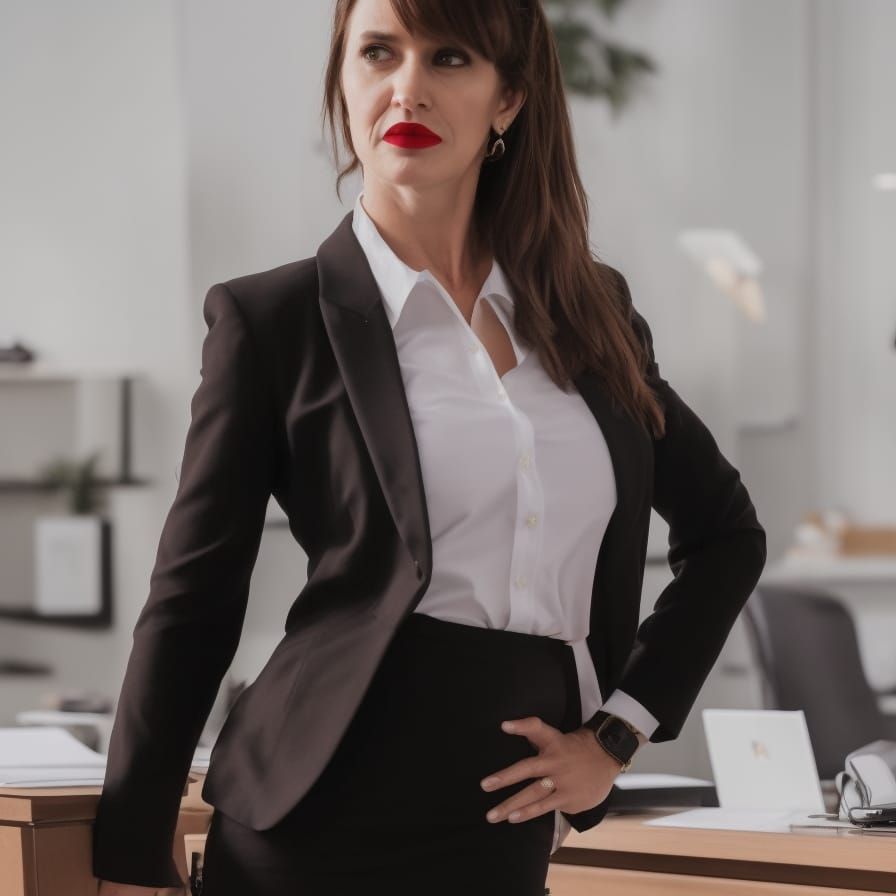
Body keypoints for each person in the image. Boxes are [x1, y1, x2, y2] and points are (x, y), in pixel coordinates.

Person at [93, 0, 767, 894]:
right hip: (308, 826)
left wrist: (616, 735)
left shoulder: (590, 313)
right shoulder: (274, 322)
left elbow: (727, 536)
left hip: (497, 826)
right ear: (345, 78)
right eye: (378, 52)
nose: (406, 85)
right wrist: (133, 854)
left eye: (449, 57)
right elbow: (193, 598)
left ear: (509, 99)